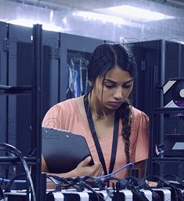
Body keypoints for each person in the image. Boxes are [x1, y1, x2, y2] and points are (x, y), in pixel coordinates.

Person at [41, 43, 149, 179]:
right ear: (91, 80)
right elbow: (36, 181)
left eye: (127, 85)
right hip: (71, 200)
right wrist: (74, 177)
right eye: (110, 85)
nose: (119, 95)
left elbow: (137, 185)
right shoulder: (60, 114)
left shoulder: (139, 120)